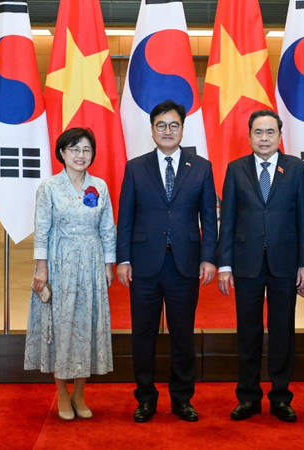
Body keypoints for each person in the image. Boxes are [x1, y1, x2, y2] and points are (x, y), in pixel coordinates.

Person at [116, 100, 218, 423]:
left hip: (185, 264)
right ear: (152, 130)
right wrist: (123, 259)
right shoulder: (136, 167)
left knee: (183, 335)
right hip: (144, 264)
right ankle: (145, 398)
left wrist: (209, 257)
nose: (167, 131)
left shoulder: (200, 167)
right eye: (161, 125)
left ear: (182, 129)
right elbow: (125, 217)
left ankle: (182, 399)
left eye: (174, 125)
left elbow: (209, 219)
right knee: (143, 335)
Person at [217, 110, 304, 423]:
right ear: (249, 136)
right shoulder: (235, 169)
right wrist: (224, 264)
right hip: (246, 264)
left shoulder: (296, 169)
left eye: (270, 132)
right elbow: (227, 220)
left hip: (285, 264)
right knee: (248, 332)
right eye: (258, 132)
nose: (264, 138)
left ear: (280, 136)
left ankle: (281, 398)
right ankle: (248, 397)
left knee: (283, 332)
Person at [24, 127, 116, 421]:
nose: (81, 155)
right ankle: (62, 391)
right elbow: (42, 230)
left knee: (86, 326)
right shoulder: (49, 187)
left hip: (91, 263)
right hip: (59, 264)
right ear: (62, 153)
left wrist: (108, 266)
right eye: (74, 149)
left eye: (86, 150)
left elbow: (107, 228)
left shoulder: (99, 187)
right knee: (61, 328)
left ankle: (79, 392)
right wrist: (41, 269)